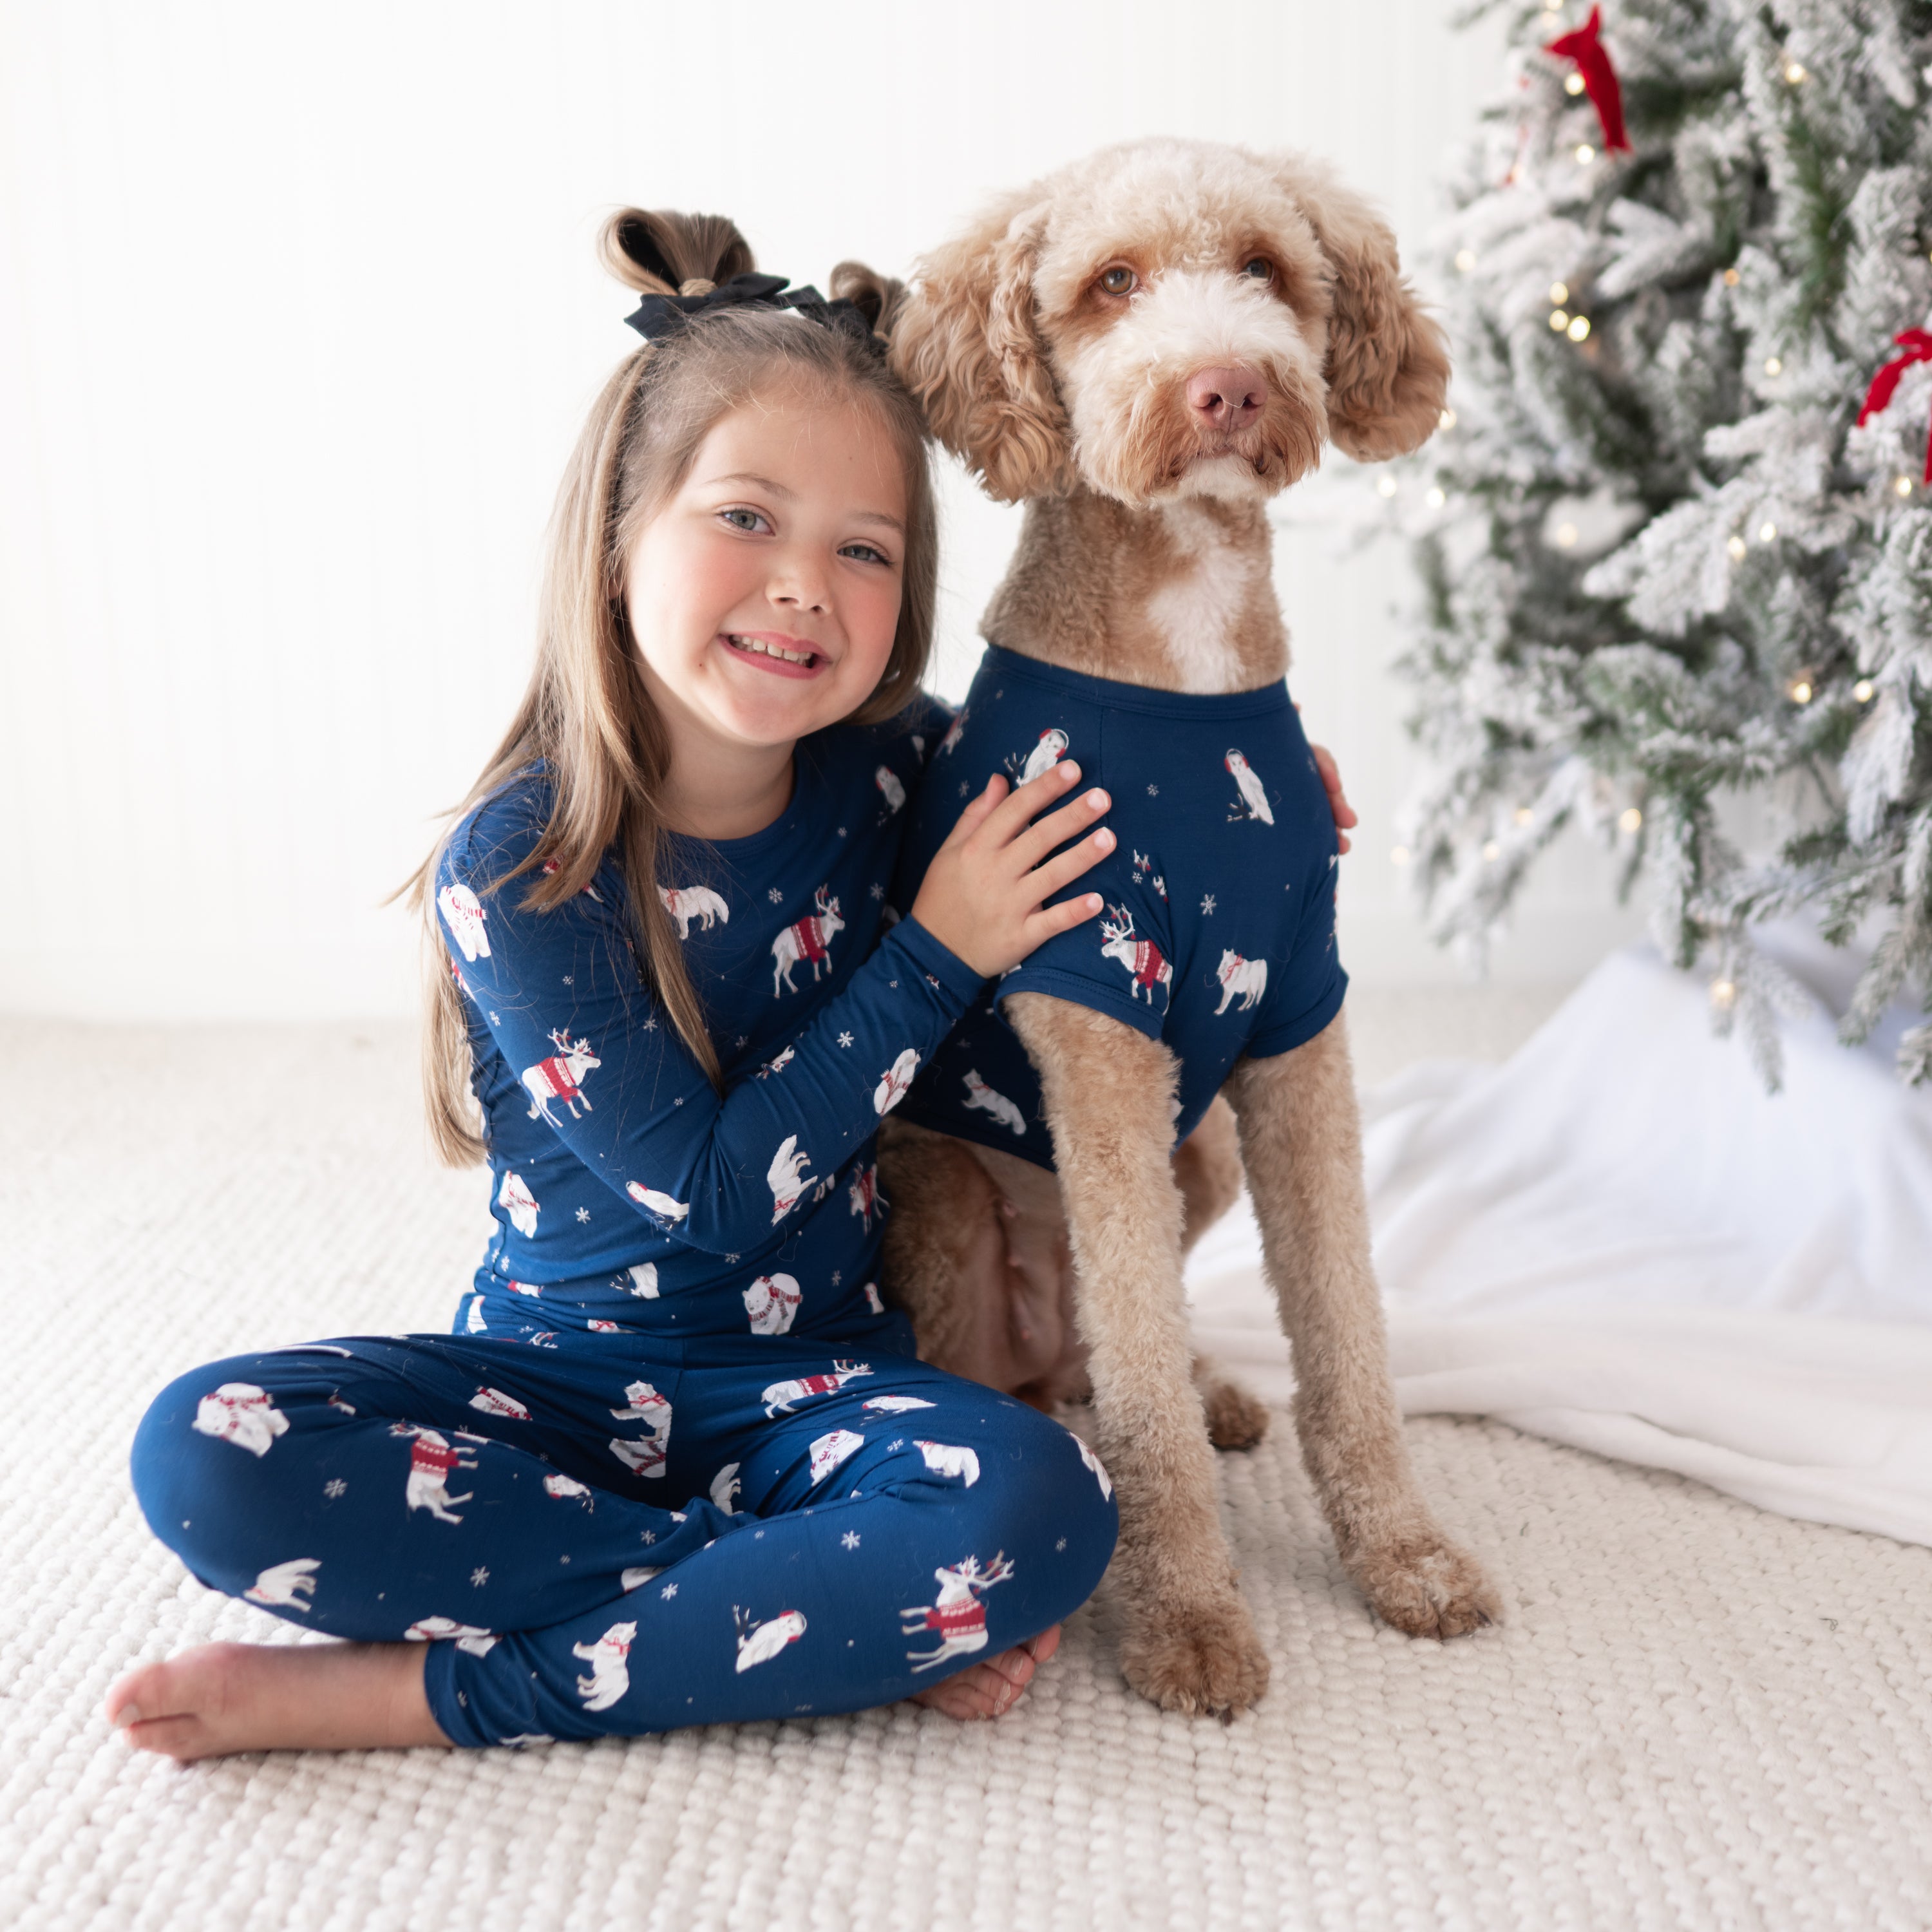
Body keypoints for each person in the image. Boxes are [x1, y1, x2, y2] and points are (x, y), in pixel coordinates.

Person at [102, 209, 1130, 1759]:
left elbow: (1107, 800)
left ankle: (450, 1681)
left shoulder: (899, 769)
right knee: (206, 1449)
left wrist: (1253, 800)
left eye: (865, 550)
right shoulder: (522, 862)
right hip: (547, 1392)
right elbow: (718, 1196)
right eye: (746, 518)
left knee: (1045, 1504)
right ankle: (786, 1626)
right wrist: (933, 954)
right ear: (616, 538)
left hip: (817, 1392)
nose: (804, 586)